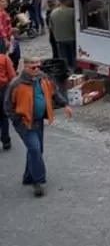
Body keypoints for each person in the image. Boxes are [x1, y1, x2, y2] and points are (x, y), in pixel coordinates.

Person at [3, 54, 73, 196]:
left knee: (37, 150)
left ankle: (28, 177)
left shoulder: (43, 78)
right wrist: (18, 120)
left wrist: (65, 105)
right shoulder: (16, 84)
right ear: (25, 66)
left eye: (38, 65)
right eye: (33, 67)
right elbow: (8, 106)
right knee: (35, 149)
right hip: (25, 123)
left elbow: (54, 92)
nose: (37, 69)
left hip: (39, 121)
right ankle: (39, 182)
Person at [0, 47, 15, 149]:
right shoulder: (4, 58)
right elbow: (12, 76)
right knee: (3, 116)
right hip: (2, 90)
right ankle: (5, 140)